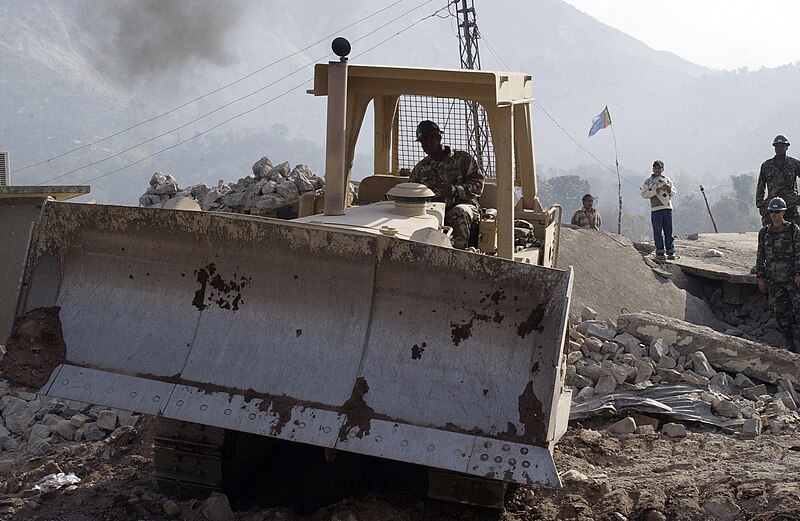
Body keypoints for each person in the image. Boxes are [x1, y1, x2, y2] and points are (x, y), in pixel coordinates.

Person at [410, 120, 485, 249]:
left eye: (429, 139)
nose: (426, 144)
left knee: (459, 212)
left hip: (465, 209)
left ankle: (459, 253)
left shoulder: (463, 159)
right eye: (422, 141)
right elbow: (410, 192)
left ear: (438, 137)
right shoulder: (420, 169)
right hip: (433, 213)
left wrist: (456, 190)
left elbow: (478, 185)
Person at [755, 197, 800, 352]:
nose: (774, 215)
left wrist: (798, 273)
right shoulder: (765, 233)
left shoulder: (793, 230)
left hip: (792, 279)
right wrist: (760, 277)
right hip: (774, 280)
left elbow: (799, 253)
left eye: (777, 212)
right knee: (780, 314)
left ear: (783, 212)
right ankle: (790, 345)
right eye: (772, 212)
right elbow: (760, 256)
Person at [755, 134, 800, 227]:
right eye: (777, 146)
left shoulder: (795, 164)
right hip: (772, 205)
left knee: (795, 231)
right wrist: (760, 204)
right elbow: (761, 185)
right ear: (774, 147)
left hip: (790, 204)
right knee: (768, 230)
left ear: (787, 147)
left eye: (782, 146)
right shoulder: (766, 166)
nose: (780, 148)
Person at [640, 160, 677, 261]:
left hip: (667, 208)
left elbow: (674, 192)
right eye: (655, 168)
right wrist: (653, 192)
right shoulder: (648, 181)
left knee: (668, 231)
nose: (657, 170)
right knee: (657, 231)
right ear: (652, 169)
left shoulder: (666, 180)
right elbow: (644, 194)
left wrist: (669, 189)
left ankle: (670, 251)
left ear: (662, 169)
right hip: (656, 209)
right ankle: (660, 252)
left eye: (659, 168)